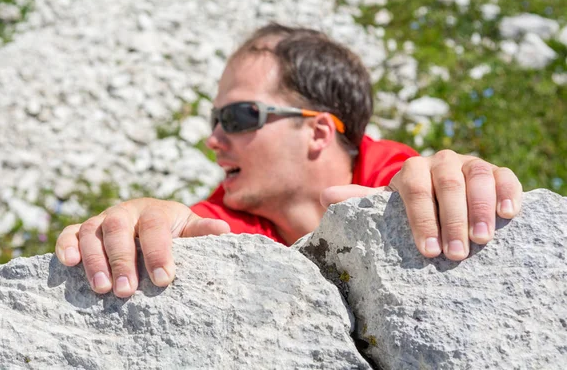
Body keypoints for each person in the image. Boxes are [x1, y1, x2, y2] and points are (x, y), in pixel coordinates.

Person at [55, 23, 522, 298]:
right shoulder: (225, 218)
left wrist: (454, 183)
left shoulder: (398, 181)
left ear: (317, 131)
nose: (213, 139)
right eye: (216, 118)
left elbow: (416, 179)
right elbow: (193, 227)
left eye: (238, 116)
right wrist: (142, 224)